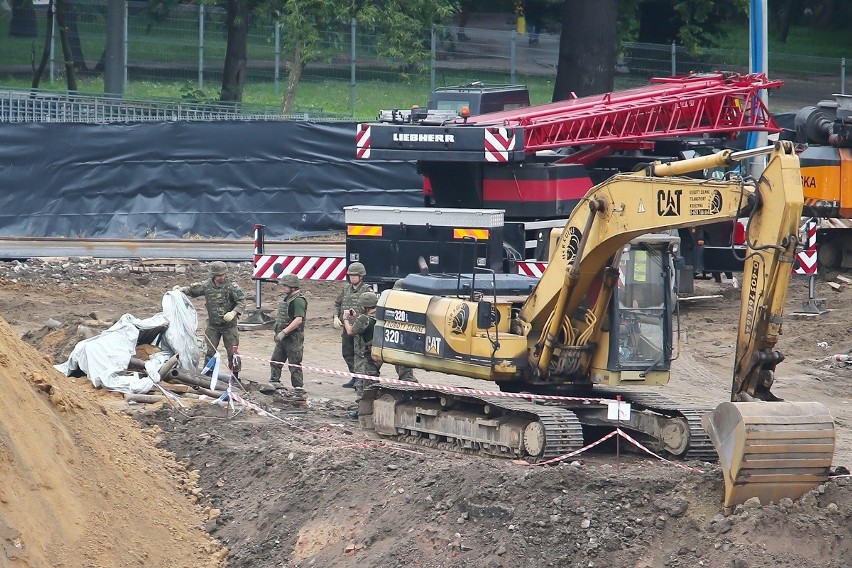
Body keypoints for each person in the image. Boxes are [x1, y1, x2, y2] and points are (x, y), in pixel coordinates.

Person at [174, 261, 246, 379]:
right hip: (213, 326)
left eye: (223, 275)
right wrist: (182, 290)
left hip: (229, 327)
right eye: (219, 275)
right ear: (213, 275)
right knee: (209, 351)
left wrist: (234, 312)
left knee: (232, 353)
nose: (221, 277)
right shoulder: (207, 285)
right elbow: (194, 290)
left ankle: (235, 376)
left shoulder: (232, 287)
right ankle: (208, 375)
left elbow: (242, 301)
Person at [343, 291, 381, 420]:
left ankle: (361, 412)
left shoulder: (364, 319)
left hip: (363, 357)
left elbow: (351, 331)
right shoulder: (379, 316)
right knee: (373, 384)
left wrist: (345, 319)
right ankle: (373, 410)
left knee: (362, 385)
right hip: (375, 356)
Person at [269, 274, 307, 391]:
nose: (283, 288)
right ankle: (274, 383)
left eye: (285, 286)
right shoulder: (288, 299)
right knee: (275, 361)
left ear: (293, 287)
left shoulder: (298, 301)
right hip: (283, 338)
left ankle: (298, 388)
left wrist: (284, 332)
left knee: (294, 364)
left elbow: (298, 320)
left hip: (293, 338)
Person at [334, 262, 368, 388]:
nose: (352, 277)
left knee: (359, 354)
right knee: (347, 352)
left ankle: (361, 380)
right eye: (350, 275)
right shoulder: (346, 289)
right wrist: (335, 316)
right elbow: (337, 303)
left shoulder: (366, 291)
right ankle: (354, 376)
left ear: (361, 276)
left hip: (359, 329)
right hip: (346, 327)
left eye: (355, 275)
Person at [391, 279, 417, 383]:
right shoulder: (396, 302)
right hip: (398, 335)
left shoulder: (412, 304)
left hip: (407, 337)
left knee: (403, 361)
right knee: (398, 361)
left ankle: (409, 380)